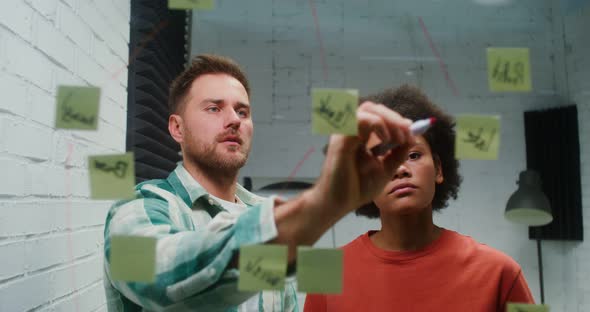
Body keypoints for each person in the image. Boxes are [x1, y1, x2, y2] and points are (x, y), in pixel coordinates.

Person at [103, 54, 416, 311]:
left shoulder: (265, 215)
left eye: (242, 111)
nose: (234, 120)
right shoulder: (139, 208)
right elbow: (161, 278)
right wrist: (323, 203)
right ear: (177, 128)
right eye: (214, 108)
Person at [304, 85, 535, 312]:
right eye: (382, 158)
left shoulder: (498, 273)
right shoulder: (326, 274)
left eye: (413, 155)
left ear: (438, 169)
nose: (400, 169)